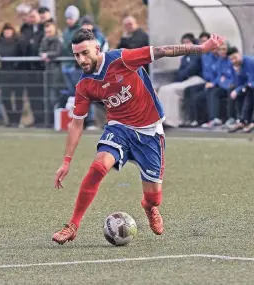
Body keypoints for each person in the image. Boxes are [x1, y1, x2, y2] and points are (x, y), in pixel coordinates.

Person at [52, 28, 224, 245]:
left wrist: (201, 48)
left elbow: (163, 51)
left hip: (150, 131)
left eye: (85, 53)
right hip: (119, 128)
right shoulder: (84, 85)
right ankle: (72, 226)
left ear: (97, 48)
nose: (81, 59)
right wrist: (66, 162)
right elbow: (76, 123)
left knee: (154, 197)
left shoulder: (122, 59)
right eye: (76, 55)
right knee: (98, 168)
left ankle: (149, 206)